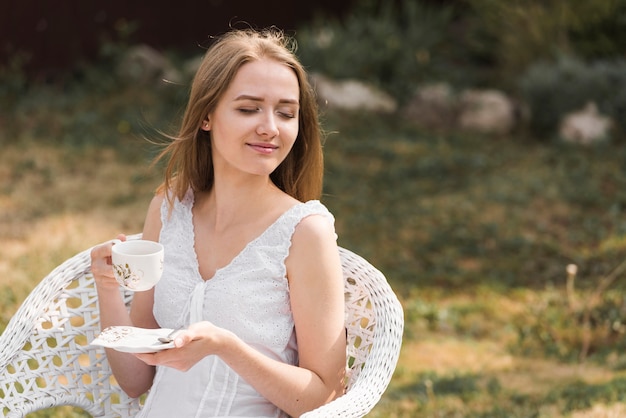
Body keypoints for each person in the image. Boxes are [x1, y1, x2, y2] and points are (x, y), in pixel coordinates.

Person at [89, 27, 347, 417]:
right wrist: (108, 287)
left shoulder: (305, 232)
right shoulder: (168, 208)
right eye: (248, 109)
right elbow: (136, 380)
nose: (270, 128)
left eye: (286, 113)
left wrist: (226, 347)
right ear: (207, 116)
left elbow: (324, 399)